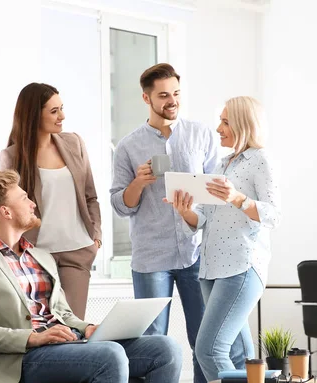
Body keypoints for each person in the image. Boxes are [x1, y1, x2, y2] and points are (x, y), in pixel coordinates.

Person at [0, 170, 182, 383]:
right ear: (5, 212)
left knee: (165, 349)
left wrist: (88, 328)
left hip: (66, 345)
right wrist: (33, 338)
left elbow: (64, 314)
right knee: (110, 355)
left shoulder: (40, 257)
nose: (32, 204)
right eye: (24, 198)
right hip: (23, 358)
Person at [109, 63, 218, 383]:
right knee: (153, 342)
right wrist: (139, 183)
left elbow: (215, 192)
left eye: (176, 94)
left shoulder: (201, 135)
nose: (172, 101)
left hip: (196, 251)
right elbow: (119, 205)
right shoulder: (128, 146)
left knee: (205, 340)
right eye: (163, 95)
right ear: (147, 98)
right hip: (151, 256)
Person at [167, 96, 281, 382]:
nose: (218, 128)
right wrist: (185, 212)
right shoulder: (222, 163)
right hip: (211, 269)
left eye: (225, 121)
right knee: (241, 355)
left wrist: (238, 198)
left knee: (209, 349)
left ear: (243, 124)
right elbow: (203, 216)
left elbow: (274, 216)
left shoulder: (260, 160)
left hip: (241, 267)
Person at [0, 82, 101, 319]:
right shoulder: (12, 156)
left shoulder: (74, 143)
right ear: (34, 115)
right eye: (54, 111)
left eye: (61, 108)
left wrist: (95, 237)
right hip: (36, 254)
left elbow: (91, 196)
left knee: (74, 328)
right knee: (44, 326)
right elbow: (6, 210)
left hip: (78, 251)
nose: (62, 116)